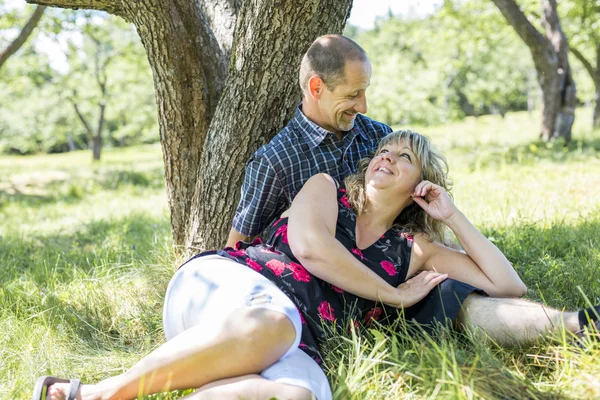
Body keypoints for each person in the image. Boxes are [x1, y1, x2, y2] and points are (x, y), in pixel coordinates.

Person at [33, 130, 600, 400]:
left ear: (420, 184)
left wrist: (453, 217)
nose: (386, 158)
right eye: (384, 151)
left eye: (404, 158)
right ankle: (93, 394)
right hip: (228, 291)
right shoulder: (327, 188)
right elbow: (310, 250)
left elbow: (509, 284)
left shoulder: (416, 248)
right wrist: (395, 297)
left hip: (294, 342)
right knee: (274, 322)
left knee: (298, 398)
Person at [225, 34, 392, 248]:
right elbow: (235, 248)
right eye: (352, 95)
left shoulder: (379, 136)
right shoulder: (275, 162)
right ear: (316, 88)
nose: (363, 107)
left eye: (365, 91)